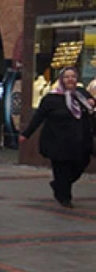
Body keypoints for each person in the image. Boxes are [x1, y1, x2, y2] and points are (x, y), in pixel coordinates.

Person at [20, 66, 95, 208]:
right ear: (61, 80)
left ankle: (59, 185)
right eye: (67, 77)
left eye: (73, 76)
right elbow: (38, 117)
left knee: (81, 164)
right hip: (58, 141)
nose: (70, 79)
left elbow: (91, 108)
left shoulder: (81, 94)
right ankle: (64, 196)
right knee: (62, 169)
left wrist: (92, 102)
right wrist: (26, 134)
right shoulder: (51, 98)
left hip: (80, 140)